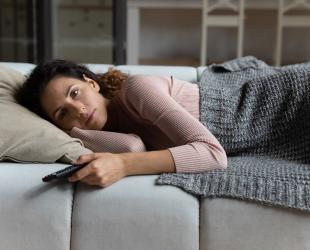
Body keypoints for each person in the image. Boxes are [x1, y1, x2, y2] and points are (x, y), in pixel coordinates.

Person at [16, 60, 227, 188]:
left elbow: (212, 154)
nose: (78, 110)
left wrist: (123, 165)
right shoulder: (104, 134)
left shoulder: (137, 90)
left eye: (75, 93)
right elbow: (133, 148)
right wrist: (73, 134)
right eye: (63, 113)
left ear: (91, 83)